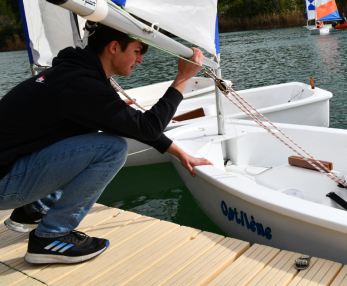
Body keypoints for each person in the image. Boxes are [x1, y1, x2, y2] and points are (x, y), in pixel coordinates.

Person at [0, 24, 212, 264]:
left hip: (9, 170)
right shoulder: (81, 84)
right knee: (112, 149)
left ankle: (33, 210)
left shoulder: (75, 75)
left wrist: (179, 152)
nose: (140, 60)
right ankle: (51, 237)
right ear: (113, 47)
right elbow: (147, 127)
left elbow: (130, 125)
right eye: (137, 50)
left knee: (88, 136)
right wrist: (183, 78)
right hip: (5, 182)